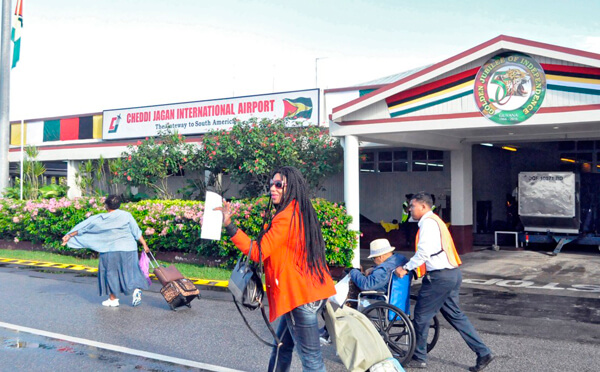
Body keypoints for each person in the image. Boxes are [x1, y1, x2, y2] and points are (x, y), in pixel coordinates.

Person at [217, 166, 336, 372]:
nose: (273, 188)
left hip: (299, 296)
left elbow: (258, 252)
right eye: (271, 184)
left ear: (291, 187)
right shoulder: (300, 210)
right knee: (282, 346)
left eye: (279, 185)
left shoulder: (286, 216)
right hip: (306, 292)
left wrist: (229, 225)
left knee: (312, 362)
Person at [395, 192, 494, 371]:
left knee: (421, 317)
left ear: (423, 206)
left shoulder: (428, 223)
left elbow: (424, 253)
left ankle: (419, 357)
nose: (409, 209)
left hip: (439, 278)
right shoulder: (435, 221)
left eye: (412, 206)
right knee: (455, 316)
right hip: (452, 274)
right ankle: (483, 352)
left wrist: (406, 268)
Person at [62, 195, 150, 308]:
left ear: (106, 205)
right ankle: (135, 290)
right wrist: (144, 244)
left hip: (110, 250)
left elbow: (84, 229)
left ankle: (113, 299)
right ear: (119, 205)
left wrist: (69, 235)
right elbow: (136, 232)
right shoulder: (126, 215)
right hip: (129, 248)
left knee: (110, 273)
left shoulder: (101, 218)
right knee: (131, 271)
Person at [348, 238, 408, 307]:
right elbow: (388, 266)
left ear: (380, 257)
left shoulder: (383, 270)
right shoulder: (401, 259)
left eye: (373, 258)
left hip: (379, 301)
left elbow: (366, 285)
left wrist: (353, 271)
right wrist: (374, 268)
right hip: (399, 299)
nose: (373, 261)